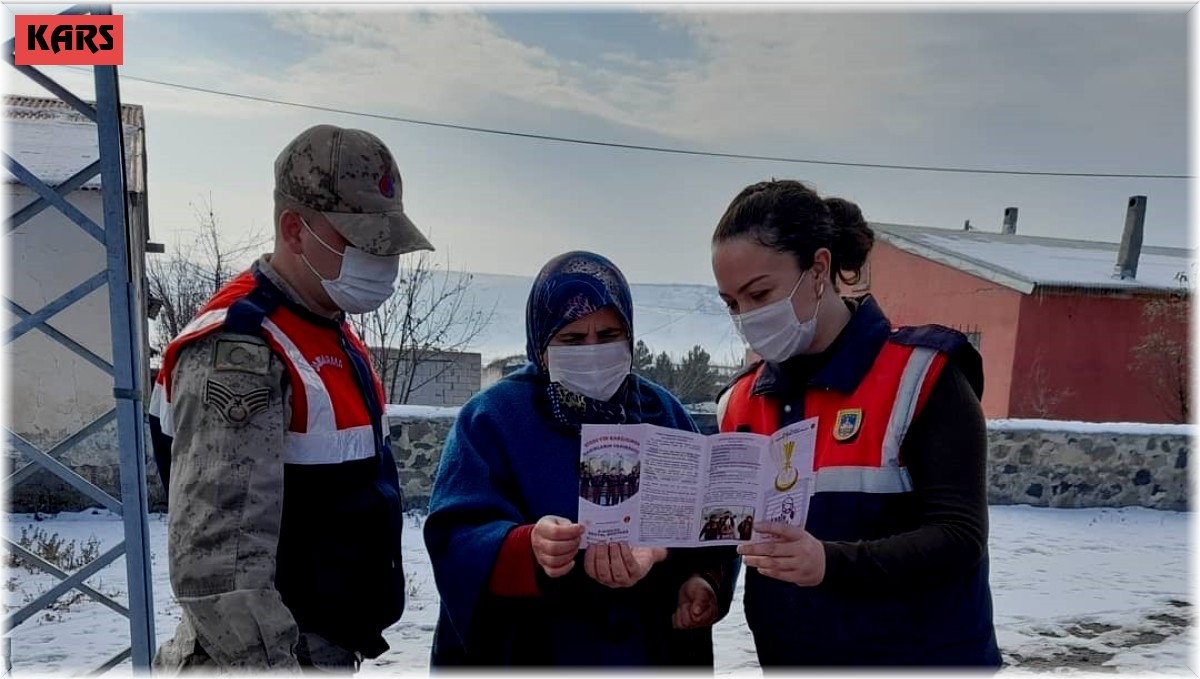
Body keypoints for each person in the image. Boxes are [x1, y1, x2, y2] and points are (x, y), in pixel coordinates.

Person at [148, 124, 434, 672]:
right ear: (293, 229)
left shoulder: (325, 326)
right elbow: (222, 576)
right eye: (361, 242)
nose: (382, 260)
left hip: (314, 650)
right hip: (261, 658)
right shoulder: (242, 350)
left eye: (387, 243)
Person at [711, 180, 1002, 668]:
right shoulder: (739, 402)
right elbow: (730, 536)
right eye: (731, 303)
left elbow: (959, 537)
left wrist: (830, 562)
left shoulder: (923, 376)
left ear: (819, 268)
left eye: (759, 294)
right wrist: (705, 582)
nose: (747, 317)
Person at [423, 251, 740, 668]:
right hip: (537, 652)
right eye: (572, 340)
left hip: (648, 651)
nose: (593, 351)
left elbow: (713, 522)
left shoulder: (661, 411)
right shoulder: (493, 417)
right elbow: (455, 536)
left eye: (609, 336)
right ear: (541, 343)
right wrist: (528, 547)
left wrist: (701, 580)